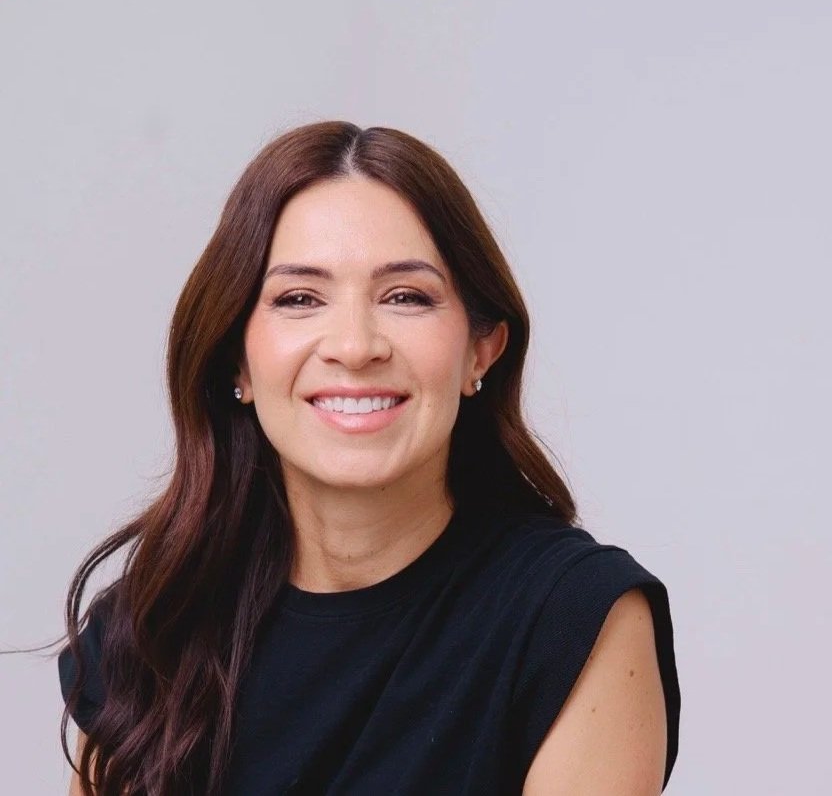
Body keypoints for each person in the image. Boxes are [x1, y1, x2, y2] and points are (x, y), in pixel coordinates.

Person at [58, 121, 681, 795]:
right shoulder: (152, 626)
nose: (355, 347)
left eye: (406, 297)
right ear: (236, 357)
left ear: (481, 351)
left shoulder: (573, 617)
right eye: (300, 299)